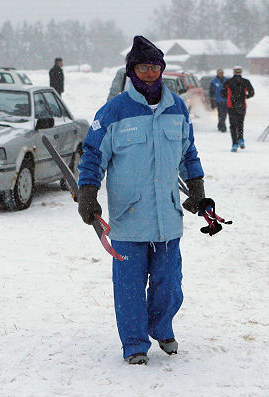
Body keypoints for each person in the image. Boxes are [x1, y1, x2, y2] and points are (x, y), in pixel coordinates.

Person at [77, 36, 212, 365]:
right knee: (129, 288)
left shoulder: (177, 108)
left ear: (162, 70)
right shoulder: (113, 111)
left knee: (169, 283)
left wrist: (196, 190)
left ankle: (161, 327)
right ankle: (135, 343)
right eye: (143, 67)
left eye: (155, 67)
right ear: (131, 71)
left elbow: (188, 152)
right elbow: (93, 155)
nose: (150, 73)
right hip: (128, 217)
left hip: (167, 216)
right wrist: (88, 193)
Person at [221, 65, 254, 152]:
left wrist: (229, 97)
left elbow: (222, 93)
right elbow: (252, 92)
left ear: (233, 72)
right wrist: (246, 96)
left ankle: (234, 144)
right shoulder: (246, 82)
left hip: (231, 106)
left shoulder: (228, 82)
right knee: (240, 123)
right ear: (241, 72)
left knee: (233, 125)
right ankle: (241, 139)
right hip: (242, 105)